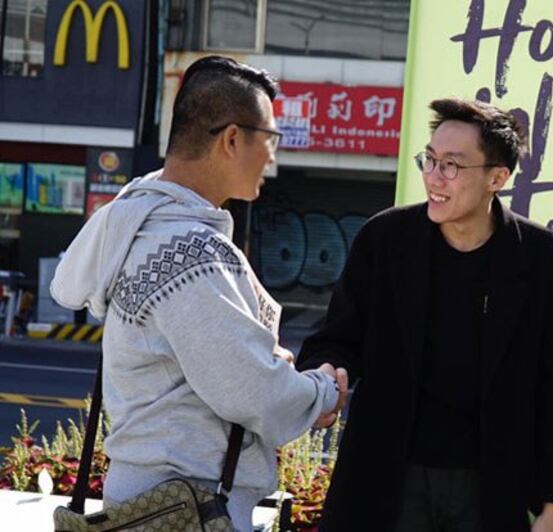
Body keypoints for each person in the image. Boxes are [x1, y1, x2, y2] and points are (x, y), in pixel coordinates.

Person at [51, 55, 347, 531]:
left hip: (145, 502)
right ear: (232, 139)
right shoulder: (189, 251)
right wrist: (323, 390)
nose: (273, 156)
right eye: (270, 139)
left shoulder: (136, 223)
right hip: (189, 507)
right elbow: (255, 393)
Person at [296, 98, 553, 532]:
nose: (434, 178)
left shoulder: (545, 262)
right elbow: (339, 338)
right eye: (430, 160)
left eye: (452, 166)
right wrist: (327, 374)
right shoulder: (384, 241)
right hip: (386, 478)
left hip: (494, 487)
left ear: (497, 177)